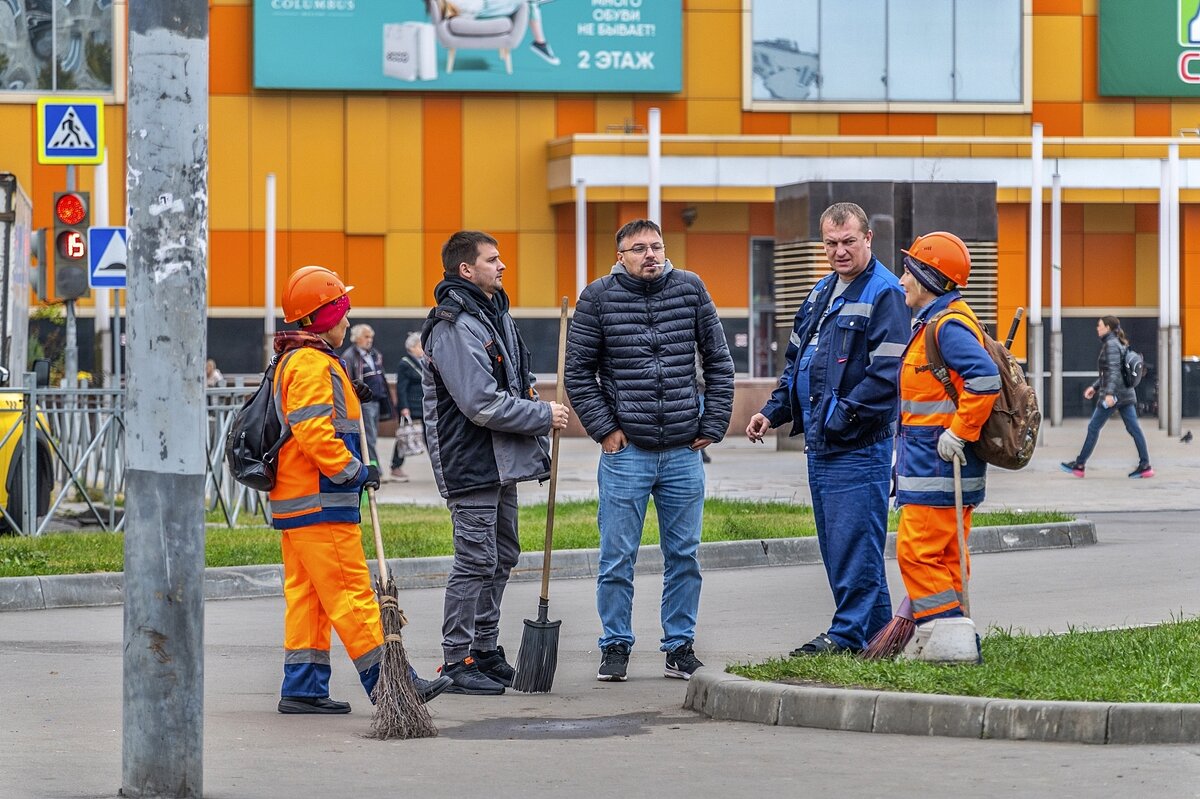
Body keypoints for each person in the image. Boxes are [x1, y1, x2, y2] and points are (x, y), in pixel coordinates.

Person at [271, 265, 450, 714]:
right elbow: (313, 431)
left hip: (297, 503)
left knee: (309, 599)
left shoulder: (296, 360)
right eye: (342, 313)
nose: (348, 322)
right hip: (322, 500)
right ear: (325, 317)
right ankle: (394, 684)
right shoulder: (312, 364)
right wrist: (355, 471)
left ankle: (304, 689)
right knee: (351, 593)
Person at [565, 218, 734, 683]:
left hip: (683, 449)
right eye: (638, 248)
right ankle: (615, 644)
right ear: (620, 256)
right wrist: (605, 429)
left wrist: (714, 423)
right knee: (617, 556)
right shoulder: (597, 297)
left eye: (656, 246)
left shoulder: (690, 288)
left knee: (685, 555)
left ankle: (679, 646)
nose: (650, 255)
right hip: (627, 451)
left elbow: (718, 360)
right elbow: (578, 372)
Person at [745, 202, 909, 656]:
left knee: (852, 545)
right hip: (823, 444)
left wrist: (840, 420)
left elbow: (887, 376)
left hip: (858, 446)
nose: (840, 251)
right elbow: (798, 363)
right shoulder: (821, 293)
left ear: (868, 239)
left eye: (848, 242)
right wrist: (772, 412)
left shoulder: (885, 293)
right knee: (844, 547)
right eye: (832, 244)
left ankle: (845, 635)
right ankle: (879, 640)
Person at [422, 230, 570, 695]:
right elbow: (480, 402)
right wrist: (541, 415)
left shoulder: (493, 314)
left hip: (500, 459)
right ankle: (456, 659)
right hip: (470, 460)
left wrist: (533, 403)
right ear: (466, 269)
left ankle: (484, 650)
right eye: (492, 259)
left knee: (503, 555)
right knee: (475, 560)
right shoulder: (453, 325)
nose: (502, 265)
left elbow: (513, 380)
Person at [893, 232, 999, 658]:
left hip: (937, 463)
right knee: (948, 555)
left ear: (927, 277)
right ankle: (954, 637)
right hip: (939, 462)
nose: (901, 280)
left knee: (916, 553)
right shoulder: (942, 321)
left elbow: (985, 379)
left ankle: (946, 638)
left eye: (908, 271)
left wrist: (960, 431)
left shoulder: (947, 325)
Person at [1061, 316, 1154, 479]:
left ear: (1108, 328)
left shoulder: (1111, 345)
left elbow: (1114, 371)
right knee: (1134, 429)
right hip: (1125, 394)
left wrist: (1109, 394)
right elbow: (1111, 371)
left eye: (1100, 325)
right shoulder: (1117, 343)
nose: (1097, 328)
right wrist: (1095, 387)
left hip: (1115, 395)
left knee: (1093, 428)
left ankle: (1080, 465)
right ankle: (1145, 465)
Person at [445, 0, 561, 65]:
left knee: (530, 3)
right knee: (529, 2)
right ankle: (540, 44)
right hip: (480, 8)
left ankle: (540, 44)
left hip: (484, 4)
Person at [341, 324, 390, 467]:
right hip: (363, 402)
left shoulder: (374, 354)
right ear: (356, 339)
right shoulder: (349, 356)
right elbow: (348, 380)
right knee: (368, 438)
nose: (370, 340)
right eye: (366, 337)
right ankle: (374, 468)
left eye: (371, 337)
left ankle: (372, 466)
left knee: (372, 436)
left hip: (376, 401)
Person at [390, 332, 426, 482]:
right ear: (411, 347)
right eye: (419, 346)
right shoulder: (405, 363)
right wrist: (404, 407)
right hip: (411, 407)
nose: (422, 349)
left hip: (423, 405)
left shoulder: (423, 362)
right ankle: (395, 466)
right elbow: (401, 388)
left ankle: (440, 463)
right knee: (405, 436)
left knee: (430, 435)